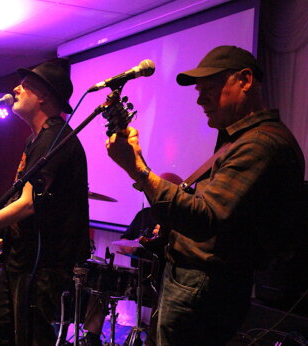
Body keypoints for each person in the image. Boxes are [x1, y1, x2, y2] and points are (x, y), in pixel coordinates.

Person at [106, 45, 305, 345]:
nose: (200, 99)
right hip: (196, 285)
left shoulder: (261, 144)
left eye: (209, 88)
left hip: (204, 287)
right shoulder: (239, 140)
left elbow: (206, 218)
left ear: (245, 80)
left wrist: (138, 170)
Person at [0, 58, 90, 345]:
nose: (15, 89)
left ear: (44, 95)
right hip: (22, 259)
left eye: (25, 86)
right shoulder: (35, 140)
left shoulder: (56, 139)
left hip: (43, 264)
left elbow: (28, 203)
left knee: (31, 336)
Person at [82, 173, 182, 346]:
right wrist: (129, 246)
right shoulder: (145, 214)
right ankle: (91, 336)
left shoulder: (179, 219)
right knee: (103, 282)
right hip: (138, 276)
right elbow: (124, 240)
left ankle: (152, 340)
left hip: (163, 279)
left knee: (161, 307)